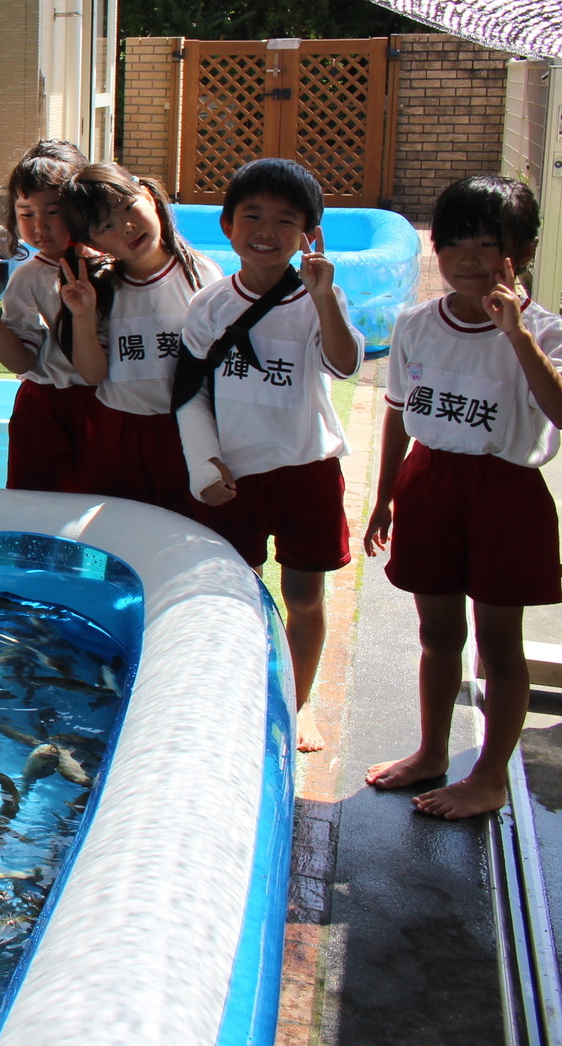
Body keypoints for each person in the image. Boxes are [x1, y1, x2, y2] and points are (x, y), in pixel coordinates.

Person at [364, 175, 562, 819]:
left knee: (498, 642)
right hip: (430, 482)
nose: (468, 260)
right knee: (436, 633)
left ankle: (488, 777)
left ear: (524, 251)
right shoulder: (415, 325)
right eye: (453, 243)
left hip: (506, 493)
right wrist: (385, 496)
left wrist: (518, 335)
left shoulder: (548, 330)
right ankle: (432, 752)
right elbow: (399, 413)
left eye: (487, 245)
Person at [174, 159, 362, 754]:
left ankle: (298, 705)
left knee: (305, 596)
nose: (267, 230)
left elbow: (345, 362)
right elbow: (188, 393)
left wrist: (324, 297)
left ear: (308, 234)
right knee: (233, 589)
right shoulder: (209, 306)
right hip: (238, 473)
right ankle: (237, 691)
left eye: (287, 220)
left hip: (307, 467)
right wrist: (203, 464)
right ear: (228, 225)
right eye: (252, 215)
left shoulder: (316, 299)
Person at [58, 164, 220, 512]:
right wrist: (83, 316)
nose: (126, 226)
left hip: (186, 431)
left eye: (128, 207)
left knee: (187, 532)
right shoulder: (102, 289)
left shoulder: (201, 274)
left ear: (148, 195)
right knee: (115, 534)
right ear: (92, 243)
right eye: (106, 225)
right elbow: (93, 375)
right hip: (117, 433)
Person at [0, 140, 91, 491]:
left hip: (107, 405)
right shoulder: (28, 276)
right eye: (26, 214)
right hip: (44, 406)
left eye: (54, 211)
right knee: (35, 500)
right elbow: (22, 360)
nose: (40, 226)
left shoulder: (111, 266)